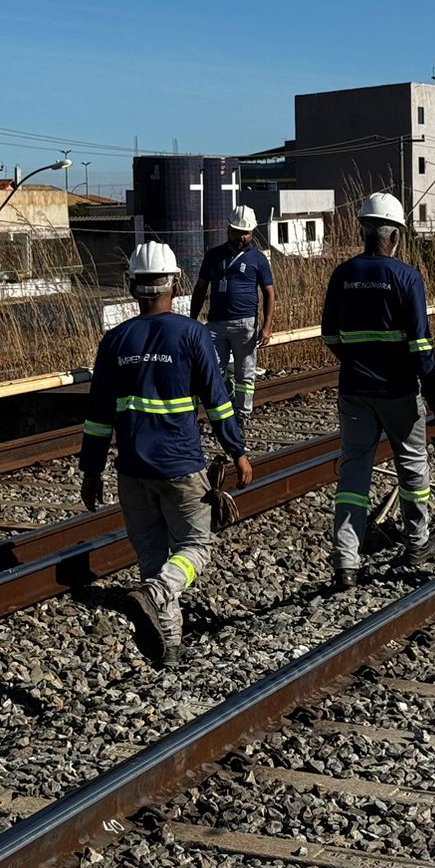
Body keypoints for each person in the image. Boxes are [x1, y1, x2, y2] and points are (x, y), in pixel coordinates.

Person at [80, 241, 252, 667]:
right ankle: (156, 595)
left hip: (132, 470)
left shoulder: (115, 340)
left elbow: (98, 416)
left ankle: (170, 646)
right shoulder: (192, 334)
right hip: (180, 466)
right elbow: (218, 401)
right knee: (196, 549)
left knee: (153, 557)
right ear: (174, 285)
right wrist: (237, 451)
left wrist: (91, 471)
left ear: (132, 287)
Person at [320, 193, 435, 590]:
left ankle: (345, 559)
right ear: (395, 236)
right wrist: (433, 389)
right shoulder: (407, 277)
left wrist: (356, 360)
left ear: (364, 230)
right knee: (412, 467)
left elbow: (330, 335)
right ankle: (417, 543)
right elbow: (421, 344)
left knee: (354, 471)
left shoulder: (342, 274)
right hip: (398, 390)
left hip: (355, 388)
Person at [190, 205, 276, 420]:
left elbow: (270, 293)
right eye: (236, 231)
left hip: (246, 324)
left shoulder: (258, 259)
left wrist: (267, 326)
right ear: (228, 229)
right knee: (213, 370)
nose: (240, 236)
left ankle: (242, 415)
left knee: (245, 373)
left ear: (252, 233)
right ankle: (226, 404)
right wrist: (192, 320)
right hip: (216, 324)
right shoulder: (214, 256)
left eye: (245, 233)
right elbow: (200, 288)